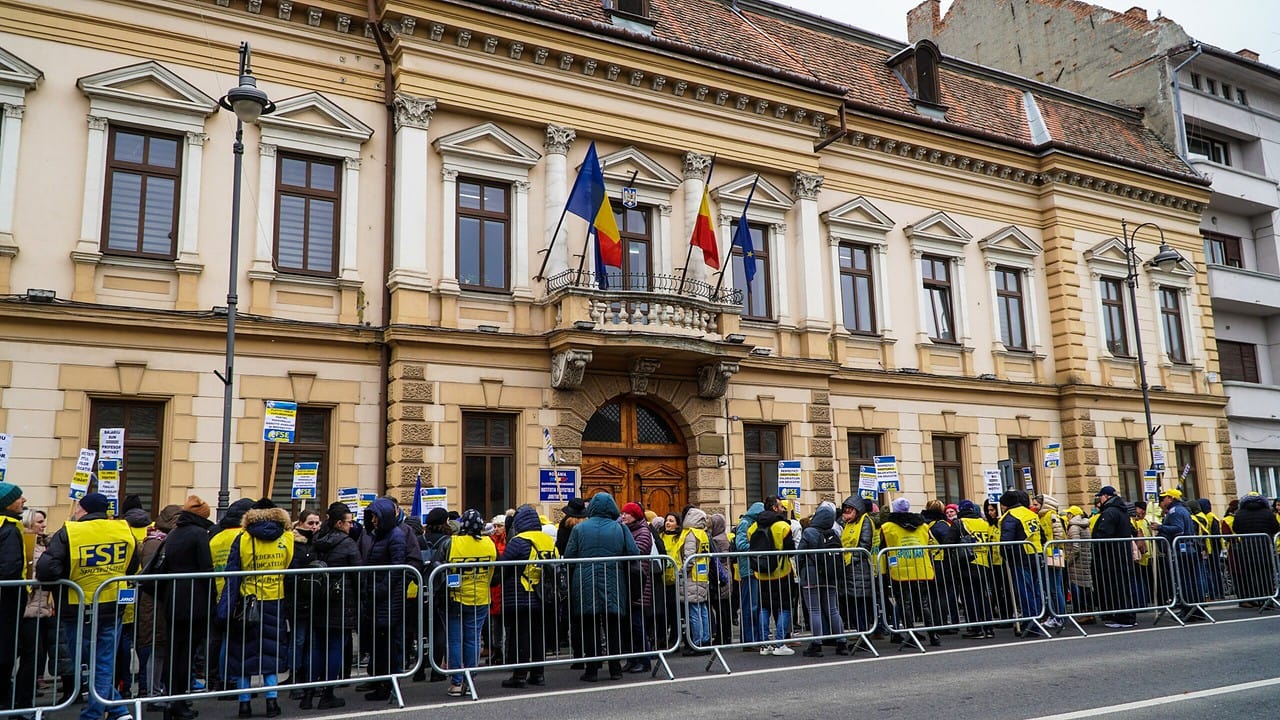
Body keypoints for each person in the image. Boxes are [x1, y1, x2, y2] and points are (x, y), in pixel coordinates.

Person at [36, 492, 140, 720]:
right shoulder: (123, 529)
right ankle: (116, 710)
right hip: (112, 605)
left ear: (83, 509)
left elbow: (46, 569)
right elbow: (133, 564)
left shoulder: (71, 531)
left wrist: (67, 577)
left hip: (78, 606)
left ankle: (95, 714)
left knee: (86, 661)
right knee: (101, 663)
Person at [219, 498, 294, 718]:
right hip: (275, 600)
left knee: (244, 654)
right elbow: (290, 566)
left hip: (248, 602)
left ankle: (244, 704)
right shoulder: (287, 537)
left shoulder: (242, 538)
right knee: (270, 652)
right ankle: (272, 702)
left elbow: (232, 573)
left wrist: (225, 606)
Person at [563, 492, 638, 682]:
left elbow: (569, 556)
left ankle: (592, 670)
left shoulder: (580, 529)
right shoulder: (619, 528)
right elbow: (633, 552)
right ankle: (615, 669)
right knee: (613, 625)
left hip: (585, 581)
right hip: (613, 579)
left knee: (590, 626)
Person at [155, 496, 215, 720]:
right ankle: (179, 703)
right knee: (186, 654)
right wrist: (212, 598)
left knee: (174, 652)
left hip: (173, 599)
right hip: (194, 601)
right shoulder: (199, 534)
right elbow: (205, 568)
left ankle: (171, 700)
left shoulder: (174, 533)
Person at [302, 505, 359, 709]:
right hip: (340, 602)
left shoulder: (318, 541)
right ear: (339, 523)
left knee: (317, 647)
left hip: (319, 601)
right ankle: (327, 693)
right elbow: (358, 575)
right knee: (334, 647)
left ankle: (308, 694)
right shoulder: (348, 544)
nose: (352, 525)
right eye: (349, 522)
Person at [437, 509, 496, 697]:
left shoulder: (452, 543)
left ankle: (456, 682)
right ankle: (470, 681)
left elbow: (437, 567)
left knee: (455, 640)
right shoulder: (489, 544)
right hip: (480, 598)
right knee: (473, 639)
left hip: (455, 598)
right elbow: (496, 574)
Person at [498, 504, 557, 688]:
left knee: (519, 634)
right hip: (544, 595)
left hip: (520, 594)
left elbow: (503, 567)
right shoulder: (547, 540)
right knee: (538, 634)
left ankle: (519, 675)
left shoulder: (518, 540)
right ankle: (538, 674)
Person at [361, 498, 406, 702]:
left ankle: (388, 685)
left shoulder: (395, 536)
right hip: (378, 598)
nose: (373, 520)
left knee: (387, 645)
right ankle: (381, 683)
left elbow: (397, 567)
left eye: (375, 516)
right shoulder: (379, 536)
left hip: (388, 600)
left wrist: (380, 589)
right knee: (379, 644)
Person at [880, 497, 941, 646]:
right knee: (924, 603)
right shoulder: (923, 525)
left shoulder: (887, 527)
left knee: (904, 603)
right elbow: (932, 544)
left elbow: (883, 549)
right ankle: (933, 635)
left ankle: (911, 635)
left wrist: (883, 570)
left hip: (900, 570)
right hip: (921, 567)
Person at [797, 503, 847, 656]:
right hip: (830, 576)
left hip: (811, 575)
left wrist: (801, 572)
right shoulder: (834, 533)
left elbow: (800, 554)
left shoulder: (809, 532)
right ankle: (842, 642)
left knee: (815, 610)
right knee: (832, 609)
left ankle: (816, 644)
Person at [18, 507, 55, 711]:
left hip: (40, 608)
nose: (43, 525)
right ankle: (22, 702)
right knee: (28, 655)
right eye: (39, 522)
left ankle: (23, 699)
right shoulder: (28, 546)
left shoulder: (44, 545)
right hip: (28, 609)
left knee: (33, 655)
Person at [749, 496, 796, 655]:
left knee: (764, 607)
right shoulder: (783, 526)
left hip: (761, 574)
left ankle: (764, 644)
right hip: (781, 572)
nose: (783, 509)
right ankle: (780, 643)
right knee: (784, 607)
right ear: (775, 509)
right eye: (781, 506)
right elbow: (791, 549)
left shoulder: (753, 527)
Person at [999, 491, 1047, 636]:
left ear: (1005, 504)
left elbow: (1006, 542)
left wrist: (1005, 556)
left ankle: (1031, 624)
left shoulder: (1010, 516)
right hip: (1036, 555)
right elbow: (1043, 536)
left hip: (1021, 557)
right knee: (1036, 591)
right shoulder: (1031, 514)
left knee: (1025, 592)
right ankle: (1037, 620)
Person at [1, 482, 29, 714]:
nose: (24, 500)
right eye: (18, 497)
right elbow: (10, 568)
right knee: (5, 654)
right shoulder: (9, 529)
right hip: (7, 602)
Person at [1091, 486, 1137, 628]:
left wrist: (1096, 546)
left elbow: (1103, 533)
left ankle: (1123, 617)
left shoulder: (1110, 512)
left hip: (1112, 556)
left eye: (1101, 497)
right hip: (1120, 555)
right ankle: (1124, 616)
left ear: (1106, 496)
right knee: (1122, 586)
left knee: (1117, 587)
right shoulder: (1121, 511)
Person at [1154, 488, 1203, 622]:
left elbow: (1178, 529)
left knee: (1185, 581)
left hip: (1183, 550)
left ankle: (1189, 610)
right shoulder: (1182, 510)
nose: (1161, 502)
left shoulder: (1175, 511)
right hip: (1188, 549)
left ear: (1170, 498)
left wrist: (1160, 527)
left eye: (1163, 499)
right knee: (1191, 580)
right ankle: (1195, 609)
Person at [618, 501, 653, 674]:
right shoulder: (629, 529)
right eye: (622, 513)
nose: (623, 516)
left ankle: (644, 660)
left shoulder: (643, 532)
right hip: (628, 584)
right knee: (628, 626)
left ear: (635, 516)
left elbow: (637, 552)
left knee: (638, 625)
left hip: (638, 585)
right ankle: (632, 659)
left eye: (626, 514)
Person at [1228, 491, 1280, 607]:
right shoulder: (1267, 513)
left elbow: (1236, 529)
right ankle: (1268, 599)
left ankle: (1257, 598)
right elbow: (1276, 528)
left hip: (1247, 549)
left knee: (1252, 574)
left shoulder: (1240, 514)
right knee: (1266, 573)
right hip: (1265, 547)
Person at [836, 496, 877, 635]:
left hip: (859, 569)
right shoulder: (847, 524)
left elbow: (865, 545)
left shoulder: (865, 521)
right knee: (852, 604)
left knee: (860, 604)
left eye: (849, 509)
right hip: (848, 568)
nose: (846, 512)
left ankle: (864, 634)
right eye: (845, 509)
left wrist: (851, 559)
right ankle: (861, 633)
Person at [955, 499, 995, 639]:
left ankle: (976, 628)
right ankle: (989, 628)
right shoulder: (983, 523)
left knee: (970, 597)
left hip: (968, 563)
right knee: (983, 596)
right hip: (984, 563)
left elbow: (948, 541)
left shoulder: (960, 522)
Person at [675, 507, 711, 655]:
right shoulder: (702, 533)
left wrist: (681, 571)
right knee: (702, 609)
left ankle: (697, 642)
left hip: (691, 577)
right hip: (701, 575)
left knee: (694, 611)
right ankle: (705, 639)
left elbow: (688, 557)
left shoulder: (690, 534)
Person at [733, 502, 766, 646]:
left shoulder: (753, 523)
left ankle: (756, 638)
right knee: (750, 606)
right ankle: (749, 639)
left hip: (756, 569)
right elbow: (740, 545)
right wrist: (758, 547)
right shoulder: (745, 523)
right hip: (748, 570)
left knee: (756, 606)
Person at [1036, 495, 1067, 629]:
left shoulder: (1051, 516)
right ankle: (1055, 615)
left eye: (1036, 504)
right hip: (1047, 554)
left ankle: (1059, 616)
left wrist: (1052, 548)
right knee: (1051, 588)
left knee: (1055, 588)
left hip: (1052, 555)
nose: (1034, 507)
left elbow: (1059, 536)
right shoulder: (1042, 517)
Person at [1064, 506, 1095, 624]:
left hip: (1077, 562)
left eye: (1069, 514)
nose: (1067, 516)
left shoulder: (1074, 527)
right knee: (1086, 586)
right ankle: (1089, 612)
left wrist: (1068, 561)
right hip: (1085, 559)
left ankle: (1085, 613)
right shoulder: (1085, 526)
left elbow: (1075, 547)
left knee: (1080, 587)